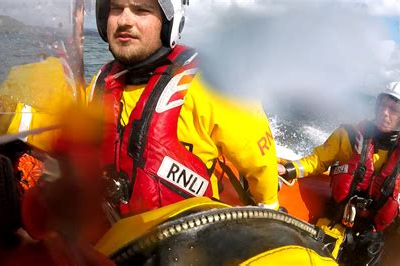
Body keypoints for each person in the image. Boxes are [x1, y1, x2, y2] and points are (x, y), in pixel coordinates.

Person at [86, 0, 279, 216]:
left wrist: (269, 209)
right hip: (112, 232)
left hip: (185, 237)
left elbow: (261, 166)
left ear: (170, 23)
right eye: (116, 9)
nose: (124, 20)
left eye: (141, 10)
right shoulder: (102, 82)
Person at [278, 81, 400, 265]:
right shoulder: (348, 136)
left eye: (394, 110)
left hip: (371, 239)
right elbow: (317, 160)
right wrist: (287, 169)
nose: (384, 112)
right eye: (382, 105)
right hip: (334, 222)